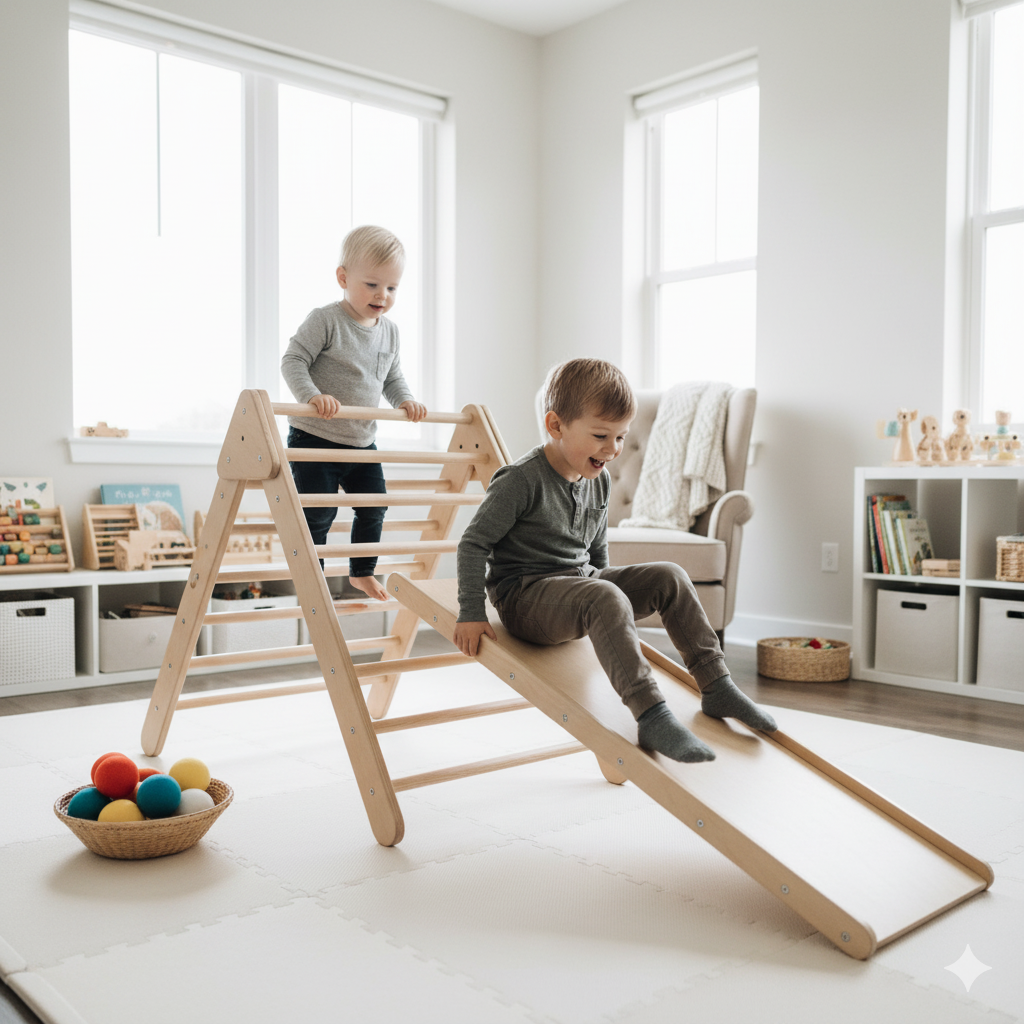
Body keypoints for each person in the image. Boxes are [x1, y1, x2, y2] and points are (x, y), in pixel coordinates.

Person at [453, 358, 776, 762]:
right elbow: (472, 544)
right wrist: (470, 610)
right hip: (526, 598)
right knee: (602, 595)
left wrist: (605, 581)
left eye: (621, 437)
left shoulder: (599, 478)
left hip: (580, 582)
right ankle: (652, 715)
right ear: (555, 426)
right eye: (601, 435)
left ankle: (716, 686)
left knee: (670, 577)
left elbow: (596, 553)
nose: (613, 449)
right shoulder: (520, 480)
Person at [281, 225, 427, 602]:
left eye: (392, 288)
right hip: (316, 438)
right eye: (372, 285)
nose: (383, 296)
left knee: (374, 506)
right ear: (343, 278)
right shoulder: (326, 320)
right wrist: (312, 395)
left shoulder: (390, 333)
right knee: (318, 513)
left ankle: (362, 571)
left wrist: (405, 400)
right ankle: (312, 574)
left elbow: (392, 377)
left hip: (362, 442)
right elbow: (293, 360)